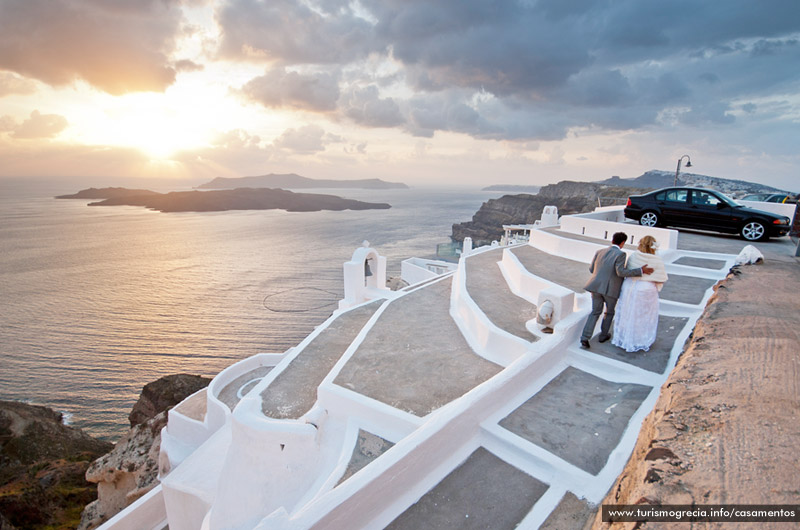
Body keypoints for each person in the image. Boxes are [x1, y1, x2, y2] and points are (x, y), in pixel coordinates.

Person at [580, 232, 654, 349]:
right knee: (609, 312)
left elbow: (591, 269)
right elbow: (621, 272)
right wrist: (640, 271)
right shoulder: (621, 254)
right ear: (623, 243)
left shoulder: (599, 251)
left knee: (595, 312)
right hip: (610, 289)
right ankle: (603, 335)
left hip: (595, 287)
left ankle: (584, 337)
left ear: (613, 240)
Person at [612, 236, 668, 352]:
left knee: (627, 312)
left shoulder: (634, 256)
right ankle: (639, 340)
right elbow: (661, 278)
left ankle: (624, 338)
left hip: (629, 286)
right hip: (646, 288)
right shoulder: (657, 260)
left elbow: (628, 271)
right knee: (643, 316)